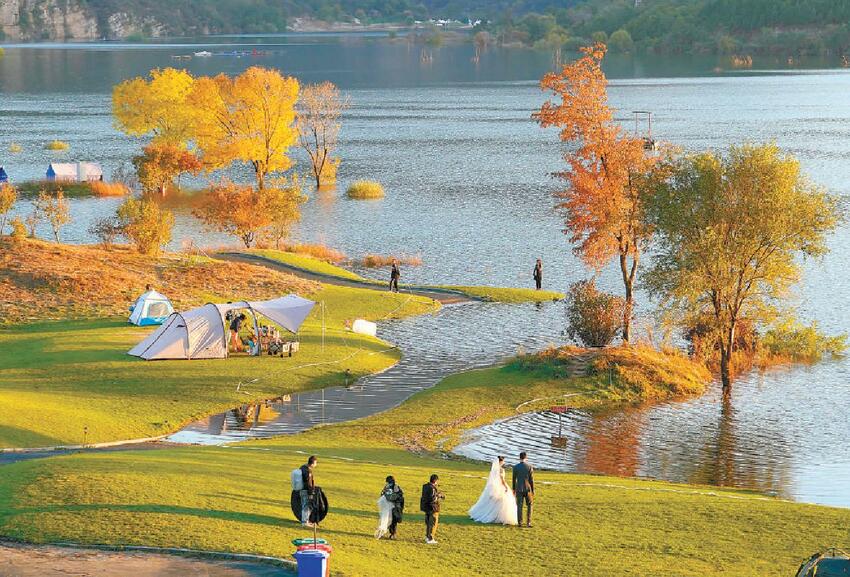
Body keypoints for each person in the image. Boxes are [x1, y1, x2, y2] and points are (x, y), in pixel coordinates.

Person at [468, 456, 518, 525]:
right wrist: (506, 486)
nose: (504, 462)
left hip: (494, 486)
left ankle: (495, 515)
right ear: (501, 462)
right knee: (503, 501)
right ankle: (499, 516)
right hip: (500, 486)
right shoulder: (501, 470)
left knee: (493, 502)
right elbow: (502, 479)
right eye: (503, 461)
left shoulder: (494, 469)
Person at [376, 475, 404, 539]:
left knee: (387, 520)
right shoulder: (395, 486)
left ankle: (388, 533)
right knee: (393, 521)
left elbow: (382, 495)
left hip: (387, 507)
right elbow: (400, 495)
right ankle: (392, 534)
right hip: (394, 507)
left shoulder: (387, 487)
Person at [512, 452, 534, 528]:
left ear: (519, 458)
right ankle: (528, 522)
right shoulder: (529, 467)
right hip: (527, 489)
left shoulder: (515, 467)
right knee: (530, 505)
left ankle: (520, 523)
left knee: (519, 506)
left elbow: (514, 479)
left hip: (518, 488)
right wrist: (533, 490)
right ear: (526, 458)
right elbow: (531, 480)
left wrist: (514, 489)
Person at [419, 474, 443, 544]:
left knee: (428, 523)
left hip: (426, 507)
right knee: (433, 523)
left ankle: (427, 536)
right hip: (432, 508)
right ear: (435, 481)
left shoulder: (425, 486)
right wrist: (438, 496)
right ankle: (430, 538)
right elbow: (432, 499)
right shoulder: (432, 488)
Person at [299, 456, 318, 527]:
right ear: (312, 463)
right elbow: (309, 483)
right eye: (316, 463)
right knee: (306, 506)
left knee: (304, 505)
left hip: (301, 489)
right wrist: (310, 493)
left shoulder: (302, 467)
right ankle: (304, 522)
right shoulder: (308, 471)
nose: (316, 464)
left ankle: (305, 521)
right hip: (306, 490)